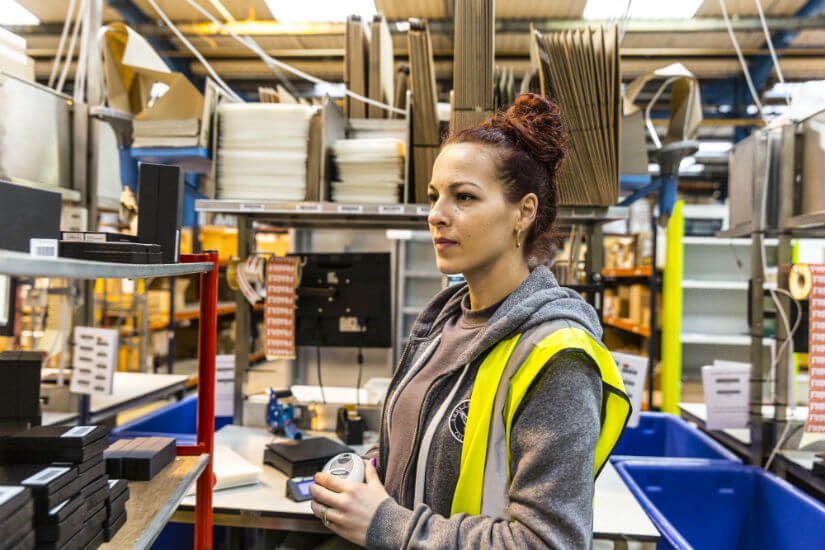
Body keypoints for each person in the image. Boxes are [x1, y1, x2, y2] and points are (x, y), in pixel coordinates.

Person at [308, 93, 631, 550]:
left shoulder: (557, 357)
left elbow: (547, 543)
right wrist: (360, 481)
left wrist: (385, 524)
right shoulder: (442, 324)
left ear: (524, 212)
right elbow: (412, 456)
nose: (437, 215)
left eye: (463, 197)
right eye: (435, 196)